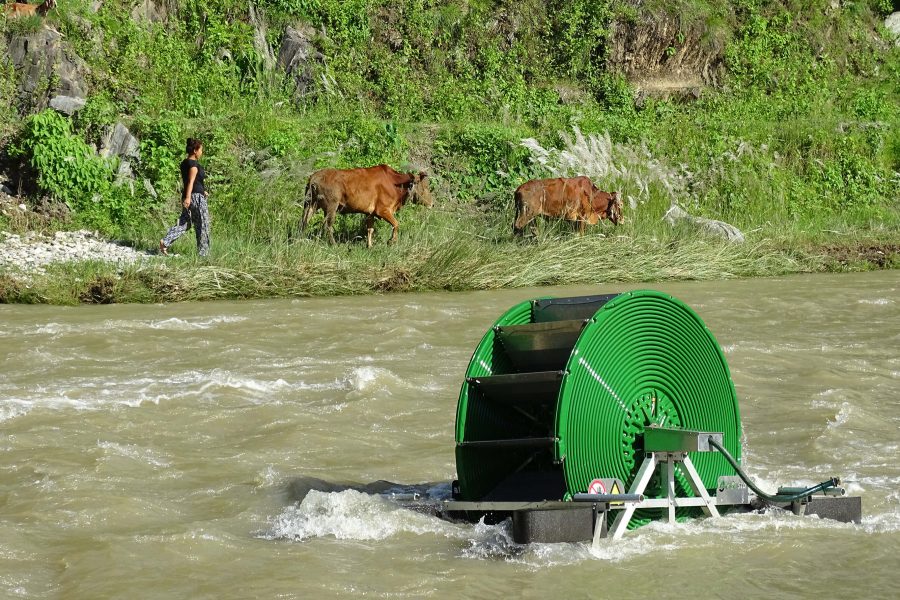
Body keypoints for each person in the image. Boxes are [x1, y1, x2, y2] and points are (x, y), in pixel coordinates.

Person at [160, 138, 210, 256]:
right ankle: (203, 254)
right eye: (200, 150)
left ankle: (165, 241)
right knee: (203, 224)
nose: (201, 152)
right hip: (195, 198)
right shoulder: (193, 165)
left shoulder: (185, 163)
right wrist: (189, 197)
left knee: (185, 223)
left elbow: (192, 182)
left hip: (192, 195)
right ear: (195, 150)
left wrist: (202, 191)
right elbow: (190, 182)